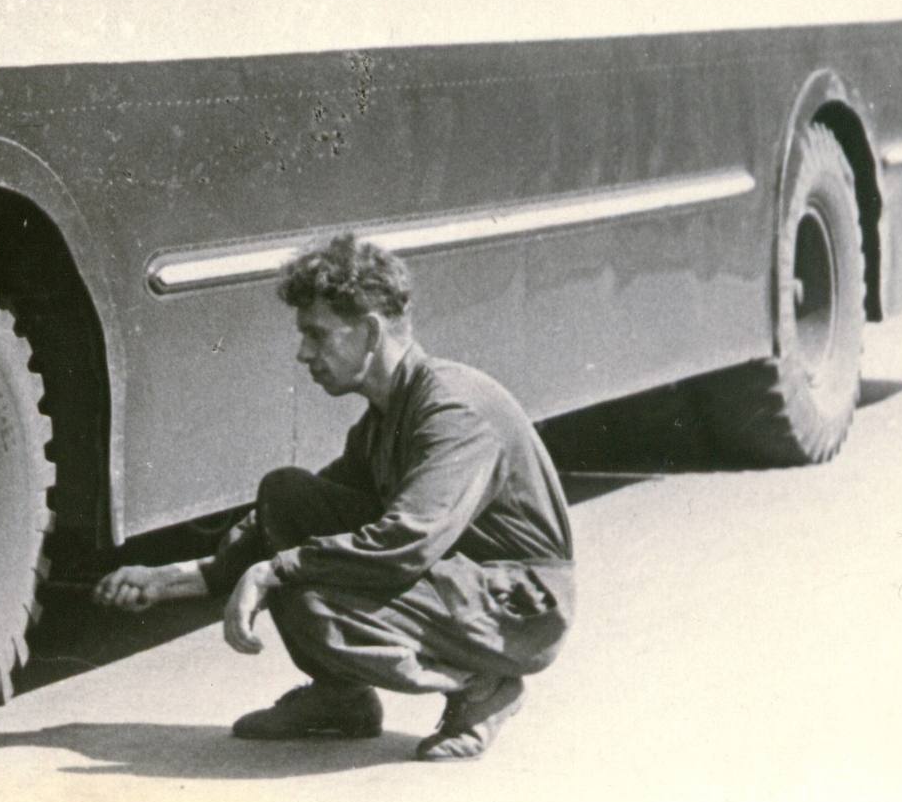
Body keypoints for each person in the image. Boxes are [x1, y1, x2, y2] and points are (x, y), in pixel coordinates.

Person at [95, 232, 575, 761]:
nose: (304, 353)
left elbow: (405, 542)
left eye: (318, 335)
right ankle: (342, 700)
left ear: (370, 332)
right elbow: (287, 519)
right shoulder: (384, 418)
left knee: (309, 593)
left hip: (516, 606)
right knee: (286, 495)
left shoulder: (453, 412)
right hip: (461, 581)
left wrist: (274, 571)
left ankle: (484, 686)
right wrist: (167, 580)